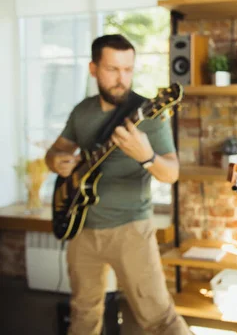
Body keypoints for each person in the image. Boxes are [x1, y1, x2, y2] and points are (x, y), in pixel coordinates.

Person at [45, 34, 190, 335]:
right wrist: (56, 161)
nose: (121, 79)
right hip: (82, 229)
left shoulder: (149, 114)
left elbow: (172, 173)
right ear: (93, 69)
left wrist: (147, 156)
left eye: (128, 69)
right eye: (112, 69)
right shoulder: (82, 112)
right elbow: (54, 153)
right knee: (83, 315)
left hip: (131, 230)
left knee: (158, 318)